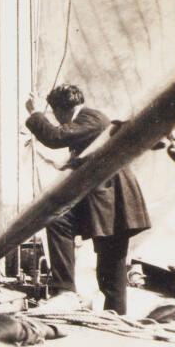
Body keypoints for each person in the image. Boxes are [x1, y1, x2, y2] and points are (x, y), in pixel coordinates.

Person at [25, 84, 151, 315]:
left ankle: (101, 308)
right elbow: (87, 156)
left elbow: (55, 137)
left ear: (61, 110)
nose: (60, 121)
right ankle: (70, 293)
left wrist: (35, 114)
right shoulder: (88, 121)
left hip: (114, 198)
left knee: (110, 263)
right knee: (60, 222)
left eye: (56, 115)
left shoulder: (91, 118)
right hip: (105, 198)